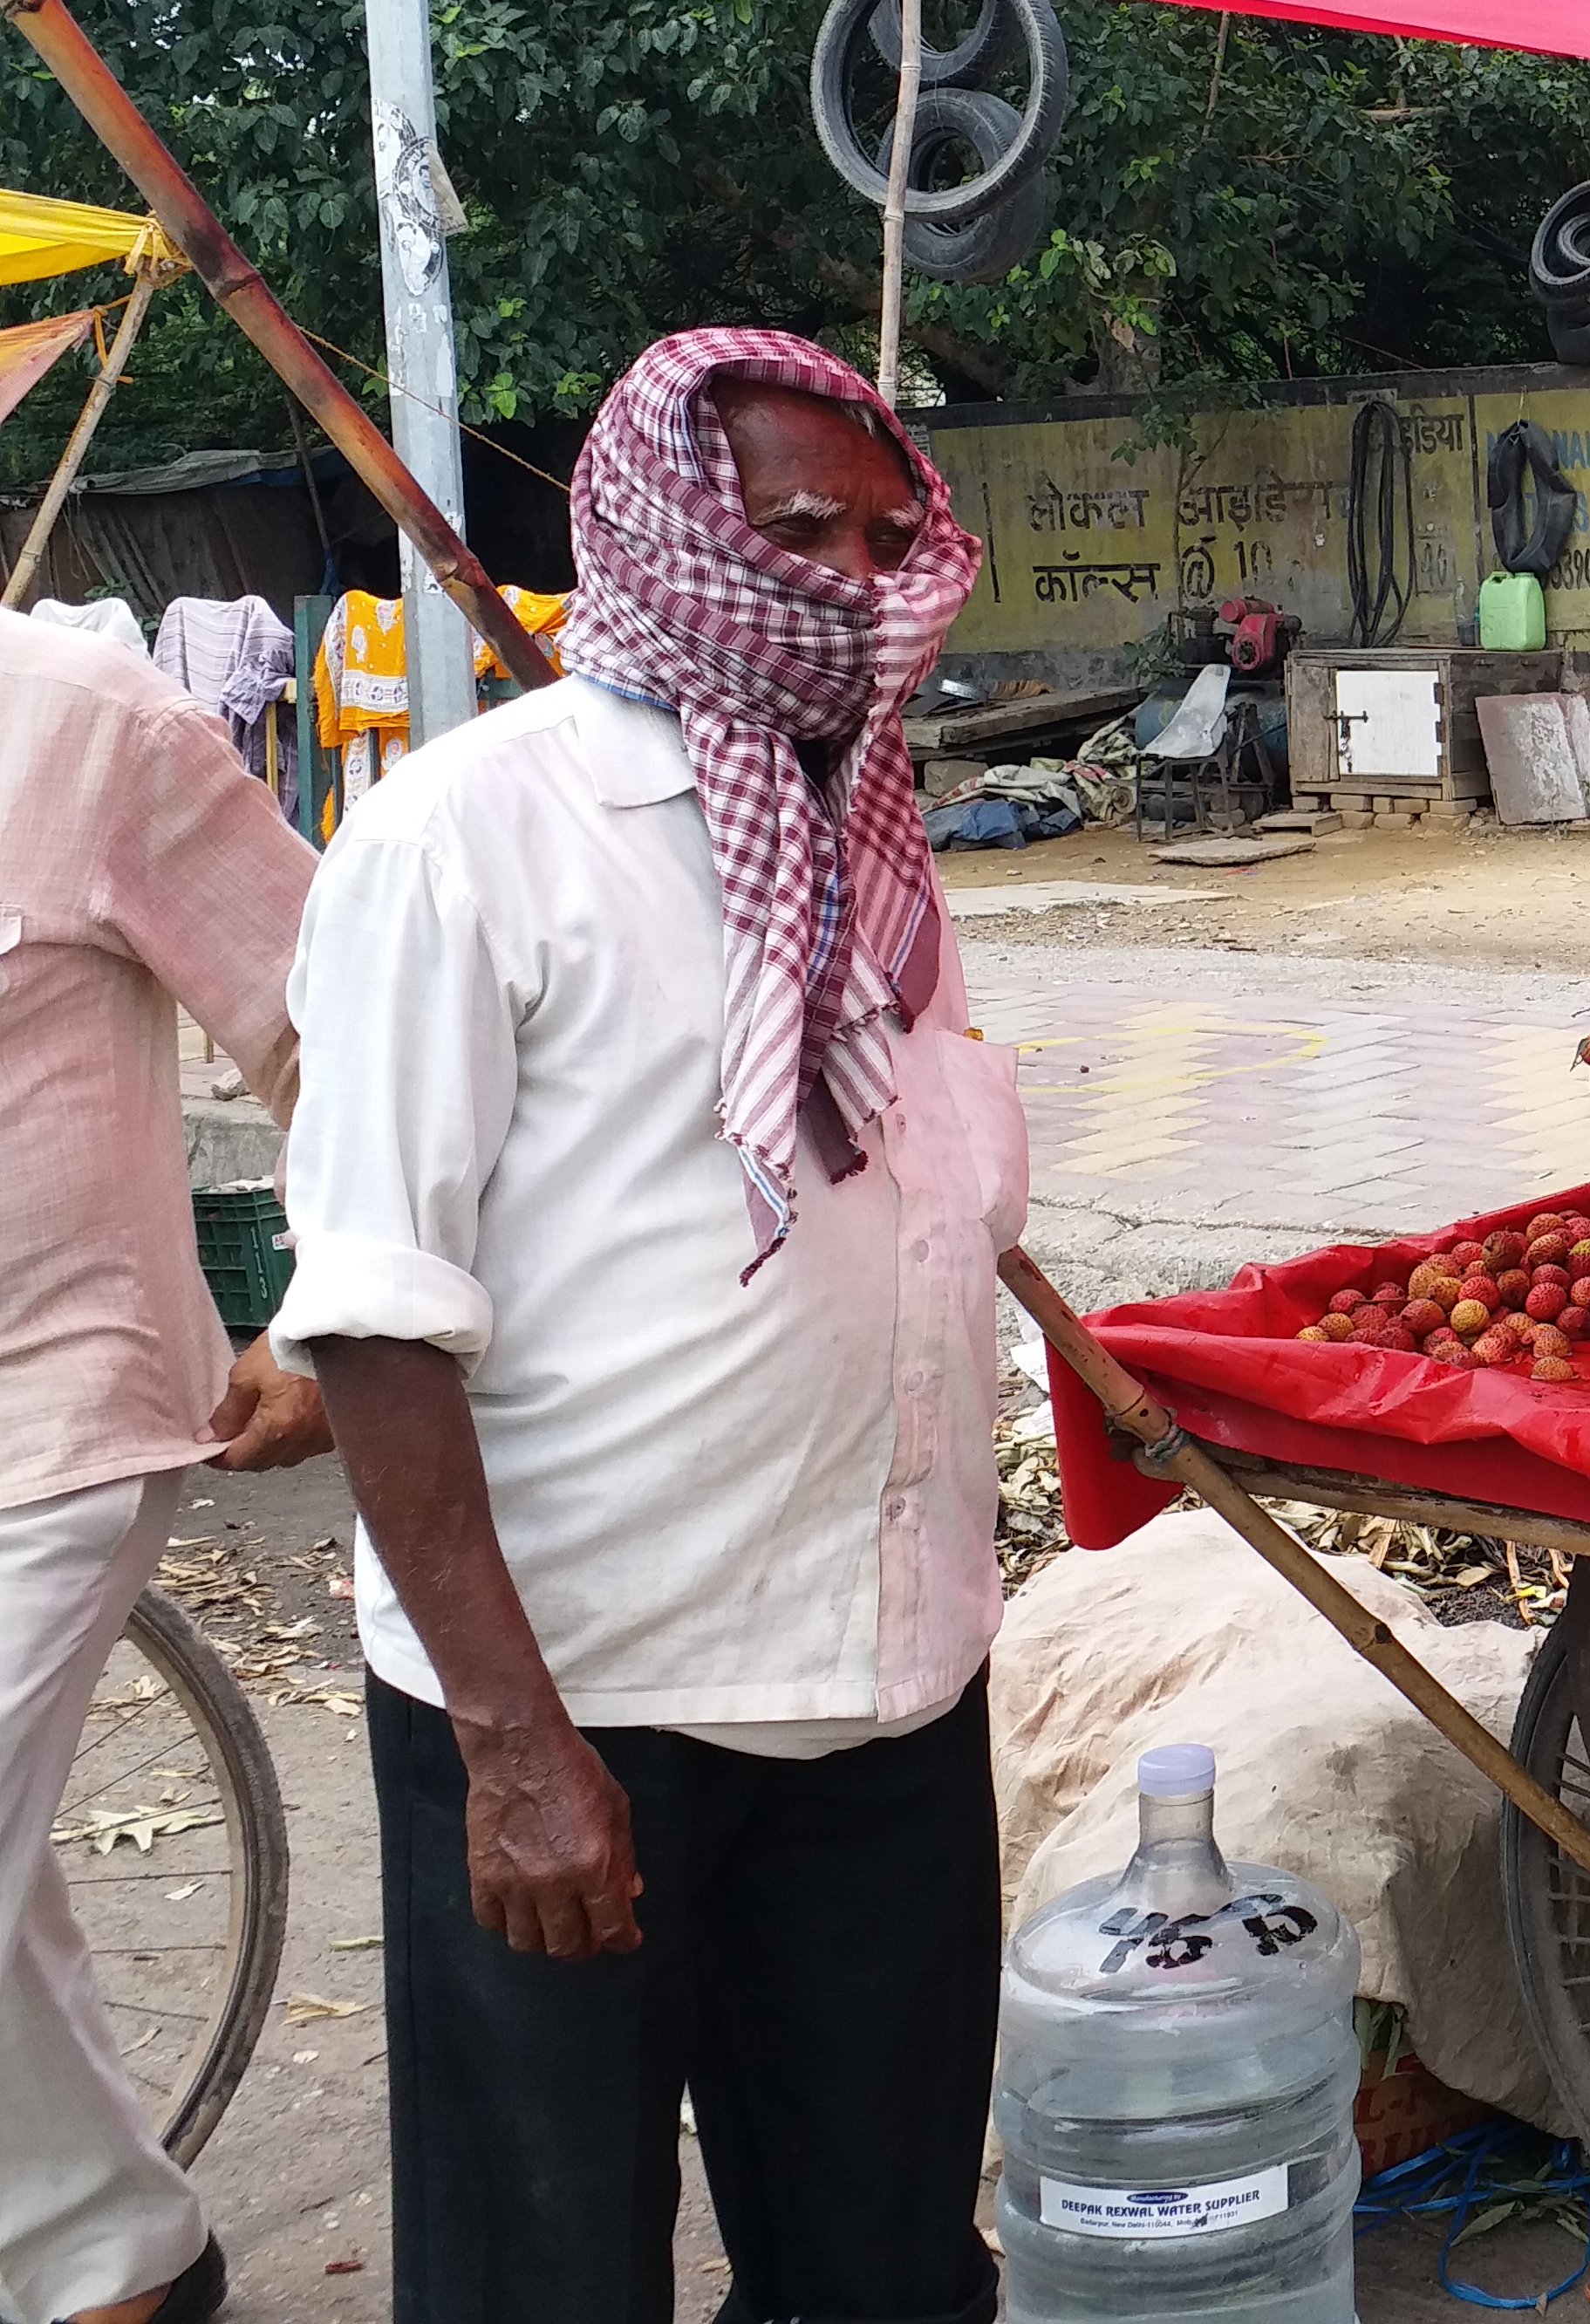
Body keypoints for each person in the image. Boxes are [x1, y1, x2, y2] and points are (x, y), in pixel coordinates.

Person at [271, 332, 1029, 2324]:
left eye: (886, 538)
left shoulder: (878, 855)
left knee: (877, 2264)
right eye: (798, 534)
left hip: (883, 1690)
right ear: (662, 530)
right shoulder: (467, 839)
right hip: (583, 1708)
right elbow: (371, 1317)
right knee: (551, 2270)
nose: (853, 585)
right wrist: (517, 1751)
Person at [0, 604, 329, 2324]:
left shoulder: (80, 723)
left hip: (52, 1413)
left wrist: (333, 1307)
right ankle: (112, 2257)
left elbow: (332, 1018)